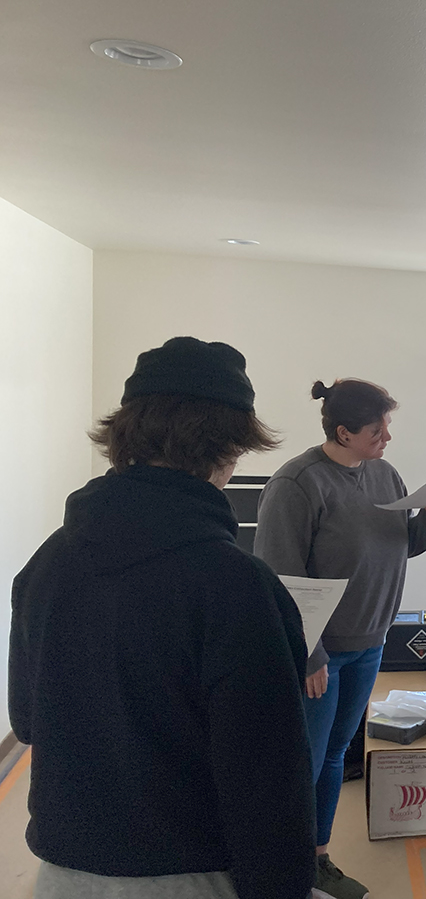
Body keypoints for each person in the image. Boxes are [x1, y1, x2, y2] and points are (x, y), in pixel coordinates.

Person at [9, 337, 316, 899]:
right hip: (188, 872)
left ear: (125, 434)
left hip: (61, 872)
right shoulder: (237, 587)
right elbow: (266, 785)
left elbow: (28, 720)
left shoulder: (48, 563)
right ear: (228, 445)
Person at [254, 378, 426, 899]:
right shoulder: (297, 483)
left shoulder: (384, 474)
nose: (387, 437)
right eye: (376, 429)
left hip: (370, 642)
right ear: (343, 432)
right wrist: (310, 652)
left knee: (339, 753)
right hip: (320, 655)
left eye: (387, 426)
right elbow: (277, 575)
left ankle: (318, 859)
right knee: (306, 762)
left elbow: (401, 544)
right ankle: (282, 868)